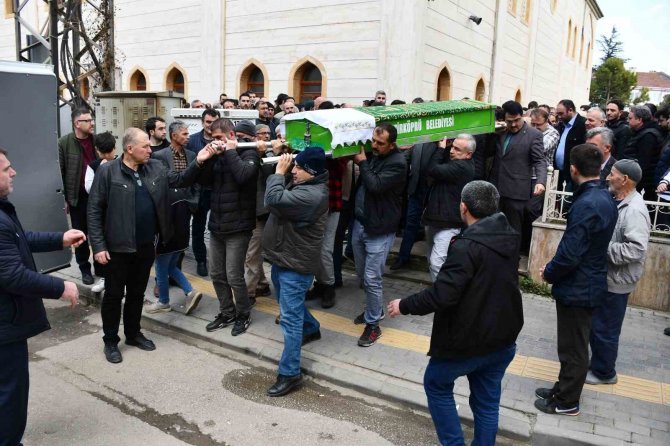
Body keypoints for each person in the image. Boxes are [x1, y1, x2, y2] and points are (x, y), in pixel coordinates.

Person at [388, 181, 523, 445]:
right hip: (502, 339)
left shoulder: (466, 246)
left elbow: (443, 295)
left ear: (463, 207)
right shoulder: (508, 236)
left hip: (467, 343)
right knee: (486, 404)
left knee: (436, 384)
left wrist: (403, 305)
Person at [88, 127, 209, 364]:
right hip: (116, 247)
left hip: (146, 245)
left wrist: (200, 161)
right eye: (145, 146)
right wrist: (98, 246)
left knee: (136, 293)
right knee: (114, 295)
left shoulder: (155, 167)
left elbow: (180, 180)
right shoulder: (108, 172)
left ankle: (133, 334)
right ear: (129, 149)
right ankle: (110, 340)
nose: (149, 150)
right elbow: (93, 210)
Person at [0, 148, 82, 446]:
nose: (14, 172)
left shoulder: (3, 211)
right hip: (4, 329)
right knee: (10, 396)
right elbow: (11, 275)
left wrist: (60, 238)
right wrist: (60, 287)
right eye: (6, 168)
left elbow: (21, 239)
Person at [535, 144, 618, 416]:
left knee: (574, 348)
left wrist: (549, 271)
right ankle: (562, 388)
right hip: (586, 282)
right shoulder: (603, 196)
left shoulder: (587, 203)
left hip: (580, 285)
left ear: (572, 169)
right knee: (571, 345)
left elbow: (571, 252)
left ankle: (567, 402)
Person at [263, 148, 329, 397]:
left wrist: (278, 174)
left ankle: (290, 373)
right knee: (288, 305)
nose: (293, 170)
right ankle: (311, 327)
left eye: (298, 168)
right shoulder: (305, 184)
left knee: (289, 320)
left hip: (295, 265)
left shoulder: (312, 195)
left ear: (311, 172)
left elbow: (273, 200)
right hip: (284, 258)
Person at [587, 159, 650, 386]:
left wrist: (602, 248)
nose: (607, 177)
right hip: (607, 277)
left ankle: (605, 372)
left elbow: (636, 249)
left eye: (612, 173)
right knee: (598, 325)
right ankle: (598, 363)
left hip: (618, 280)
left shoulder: (635, 210)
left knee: (606, 328)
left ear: (624, 180)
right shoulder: (618, 200)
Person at [199, 119, 259, 336]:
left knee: (234, 275)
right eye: (211, 138)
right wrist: (206, 159)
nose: (214, 143)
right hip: (217, 224)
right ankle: (227, 312)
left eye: (218, 138)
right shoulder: (216, 156)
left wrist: (230, 152)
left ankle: (243, 314)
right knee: (216, 273)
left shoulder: (249, 153)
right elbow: (204, 182)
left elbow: (244, 176)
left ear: (231, 135)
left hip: (239, 226)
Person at [351, 124, 407, 346]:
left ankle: (373, 324)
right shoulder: (375, 155)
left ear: (391, 144)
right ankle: (373, 310)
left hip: (380, 228)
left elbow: (375, 185)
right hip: (361, 223)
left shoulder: (398, 163)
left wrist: (363, 163)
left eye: (380, 143)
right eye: (373, 140)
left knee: (372, 278)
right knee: (363, 274)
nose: (374, 146)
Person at [145, 121, 203, 315]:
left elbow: (195, 182)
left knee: (164, 260)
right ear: (174, 135)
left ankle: (164, 301)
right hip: (166, 213)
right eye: (184, 134)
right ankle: (189, 291)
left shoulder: (193, 156)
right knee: (167, 261)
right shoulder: (159, 157)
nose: (188, 137)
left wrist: (191, 202)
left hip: (182, 213)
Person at [489, 100, 546, 251]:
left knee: (513, 232)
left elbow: (540, 160)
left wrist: (541, 181)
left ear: (522, 116)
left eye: (516, 120)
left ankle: (512, 263)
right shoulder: (501, 132)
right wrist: (492, 134)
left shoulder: (534, 135)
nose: (513, 124)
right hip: (496, 189)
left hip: (517, 193)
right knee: (495, 229)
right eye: (509, 121)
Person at [422, 135, 475, 281]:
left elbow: (433, 169)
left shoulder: (462, 166)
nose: (452, 151)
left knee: (437, 263)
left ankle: (443, 297)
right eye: (452, 147)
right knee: (433, 261)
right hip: (437, 219)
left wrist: (440, 149)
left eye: (457, 149)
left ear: (468, 154)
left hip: (448, 223)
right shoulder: (457, 162)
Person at [58, 107, 97, 285]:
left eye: (91, 119)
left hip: (98, 195)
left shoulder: (97, 140)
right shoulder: (64, 143)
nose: (92, 123)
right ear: (77, 123)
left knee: (98, 232)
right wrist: (65, 197)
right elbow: (60, 172)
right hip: (77, 197)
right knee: (81, 235)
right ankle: (84, 268)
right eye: (88, 120)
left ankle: (102, 267)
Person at [305, 157, 346, 308]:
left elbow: (340, 169)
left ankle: (329, 286)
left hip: (332, 205)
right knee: (315, 249)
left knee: (325, 250)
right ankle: (320, 284)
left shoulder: (336, 154)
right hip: (314, 206)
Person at [390, 140, 437, 271]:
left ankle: (434, 262)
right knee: (410, 223)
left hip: (433, 189)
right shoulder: (419, 139)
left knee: (432, 228)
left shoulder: (441, 139)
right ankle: (403, 257)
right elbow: (407, 158)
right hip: (415, 188)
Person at [186, 108, 221, 276]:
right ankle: (201, 260)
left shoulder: (224, 141)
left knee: (218, 227)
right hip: (198, 191)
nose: (211, 125)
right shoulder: (192, 141)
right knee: (198, 227)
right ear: (202, 122)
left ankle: (219, 260)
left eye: (214, 122)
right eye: (208, 122)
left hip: (218, 190)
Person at [84, 131, 117, 293]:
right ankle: (105, 278)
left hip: (119, 213)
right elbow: (89, 188)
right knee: (102, 244)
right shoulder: (94, 166)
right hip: (102, 213)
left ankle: (119, 282)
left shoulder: (122, 163)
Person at [623, 105, 664, 201]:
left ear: (639, 120)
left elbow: (644, 162)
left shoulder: (648, 135)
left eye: (630, 118)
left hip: (643, 181)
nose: (628, 121)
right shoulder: (640, 132)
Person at [554, 99, 587, 189]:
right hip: (558, 173)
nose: (559, 117)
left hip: (573, 174)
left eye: (561, 113)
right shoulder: (560, 126)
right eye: (558, 114)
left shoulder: (582, 125)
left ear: (571, 110)